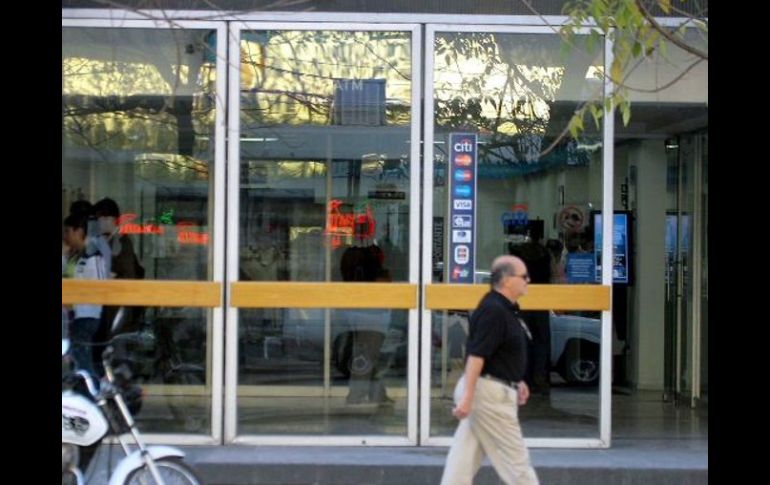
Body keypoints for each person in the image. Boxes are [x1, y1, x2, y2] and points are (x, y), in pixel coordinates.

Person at [440, 255, 539, 485]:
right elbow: (477, 356)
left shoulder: (505, 309)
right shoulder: (494, 310)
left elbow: (500, 352)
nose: (528, 280)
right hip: (489, 396)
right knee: (516, 463)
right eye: (524, 276)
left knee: (462, 463)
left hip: (489, 390)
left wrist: (517, 379)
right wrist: (468, 397)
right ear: (506, 279)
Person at [63, 213, 108, 378]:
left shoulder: (93, 256)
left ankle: (92, 391)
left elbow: (99, 286)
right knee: (81, 360)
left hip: (87, 316)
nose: (66, 237)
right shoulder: (81, 256)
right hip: (80, 315)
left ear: (79, 231)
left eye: (68, 231)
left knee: (83, 363)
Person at [510, 233, 552, 397]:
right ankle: (539, 378)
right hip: (542, 302)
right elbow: (551, 276)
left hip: (523, 302)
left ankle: (524, 378)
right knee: (542, 342)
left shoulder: (518, 255)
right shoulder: (545, 255)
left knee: (523, 340)